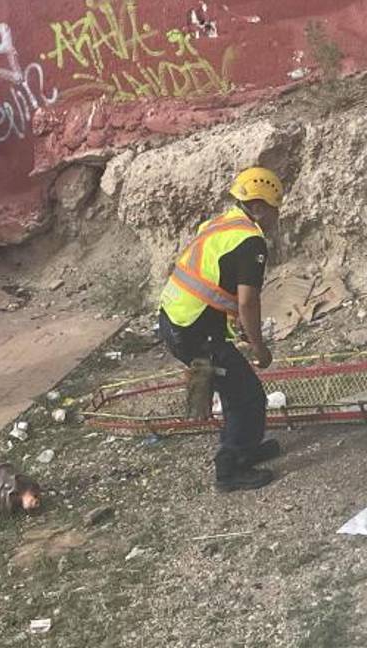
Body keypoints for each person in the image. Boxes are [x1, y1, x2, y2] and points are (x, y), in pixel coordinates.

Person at [158, 167, 286, 492]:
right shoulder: (251, 241)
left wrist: (235, 328)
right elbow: (248, 302)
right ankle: (229, 469)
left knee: (235, 390)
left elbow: (216, 283)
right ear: (257, 206)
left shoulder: (223, 223)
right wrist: (260, 348)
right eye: (273, 207)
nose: (276, 215)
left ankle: (246, 448)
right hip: (194, 331)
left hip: (179, 320)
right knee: (246, 398)